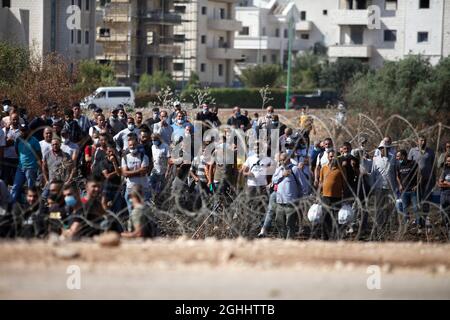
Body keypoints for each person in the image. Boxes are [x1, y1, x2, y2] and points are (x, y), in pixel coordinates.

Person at [272, 152, 304, 239]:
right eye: (281, 160)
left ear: (289, 159)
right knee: (279, 221)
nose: (282, 162)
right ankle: (283, 238)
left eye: (284, 160)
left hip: (291, 201)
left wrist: (301, 197)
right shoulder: (279, 169)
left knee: (290, 223)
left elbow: (303, 184)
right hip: (280, 201)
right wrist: (282, 175)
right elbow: (274, 180)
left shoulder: (295, 169)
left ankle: (289, 241)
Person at [11, 124, 42, 203]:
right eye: (21, 130)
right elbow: (17, 152)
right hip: (20, 167)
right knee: (15, 186)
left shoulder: (34, 140)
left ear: (28, 131)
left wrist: (37, 166)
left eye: (25, 130)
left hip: (31, 168)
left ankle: (31, 207)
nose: (23, 132)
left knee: (31, 189)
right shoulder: (18, 140)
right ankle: (11, 205)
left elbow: (39, 154)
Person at [372, 140, 397, 235]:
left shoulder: (393, 159)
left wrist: (397, 186)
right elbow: (373, 174)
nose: (383, 150)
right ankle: (378, 226)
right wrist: (372, 187)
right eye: (381, 149)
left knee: (389, 208)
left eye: (386, 148)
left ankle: (387, 225)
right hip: (379, 187)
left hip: (390, 187)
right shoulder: (376, 159)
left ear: (389, 149)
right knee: (378, 208)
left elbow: (396, 172)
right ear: (380, 149)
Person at [319, 150, 345, 240]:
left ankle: (335, 236)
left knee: (336, 218)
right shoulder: (324, 168)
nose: (332, 158)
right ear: (328, 157)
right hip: (325, 197)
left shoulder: (341, 169)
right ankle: (324, 236)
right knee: (325, 217)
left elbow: (344, 183)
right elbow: (320, 182)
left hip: (337, 197)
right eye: (331, 156)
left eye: (334, 157)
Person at [408, 135, 435, 221]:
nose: (423, 142)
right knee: (417, 199)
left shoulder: (430, 151)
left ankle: (426, 217)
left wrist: (434, 179)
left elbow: (433, 166)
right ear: (417, 141)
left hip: (428, 179)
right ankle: (417, 218)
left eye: (424, 140)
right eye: (421, 140)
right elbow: (408, 165)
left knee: (426, 199)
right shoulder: (412, 151)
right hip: (416, 180)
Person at [121, 136, 151, 214]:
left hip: (143, 188)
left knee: (145, 212)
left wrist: (130, 173)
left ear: (137, 144)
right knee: (132, 212)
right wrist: (139, 171)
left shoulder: (144, 157)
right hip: (130, 188)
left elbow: (143, 172)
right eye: (130, 145)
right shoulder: (125, 158)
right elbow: (124, 173)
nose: (132, 147)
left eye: (134, 145)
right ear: (128, 146)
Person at [396, 149, 419, 224]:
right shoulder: (399, 165)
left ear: (403, 156)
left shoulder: (413, 163)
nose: (397, 158)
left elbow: (419, 175)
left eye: (398, 156)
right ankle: (406, 224)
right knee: (405, 208)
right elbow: (398, 176)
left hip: (413, 190)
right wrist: (400, 185)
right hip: (404, 191)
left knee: (416, 208)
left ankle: (419, 224)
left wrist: (417, 185)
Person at [101, 145, 123, 213]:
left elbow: (119, 174)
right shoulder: (103, 162)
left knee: (118, 208)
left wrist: (114, 162)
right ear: (106, 152)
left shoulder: (118, 161)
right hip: (107, 188)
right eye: (109, 151)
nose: (111, 153)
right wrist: (117, 171)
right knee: (106, 207)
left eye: (112, 151)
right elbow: (107, 176)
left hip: (116, 187)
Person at [2, 112, 21, 186]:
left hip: (17, 159)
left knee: (15, 181)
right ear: (10, 120)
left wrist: (12, 142)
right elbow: (2, 143)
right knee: (5, 179)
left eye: (17, 119)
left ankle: (14, 197)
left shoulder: (21, 131)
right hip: (6, 158)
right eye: (13, 119)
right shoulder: (4, 130)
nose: (15, 121)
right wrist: (7, 142)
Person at [438, 154, 450, 235]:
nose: (448, 162)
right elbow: (439, 184)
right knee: (444, 214)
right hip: (444, 195)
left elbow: (442, 182)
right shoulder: (444, 170)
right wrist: (447, 183)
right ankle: (447, 229)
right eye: (447, 161)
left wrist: (445, 182)